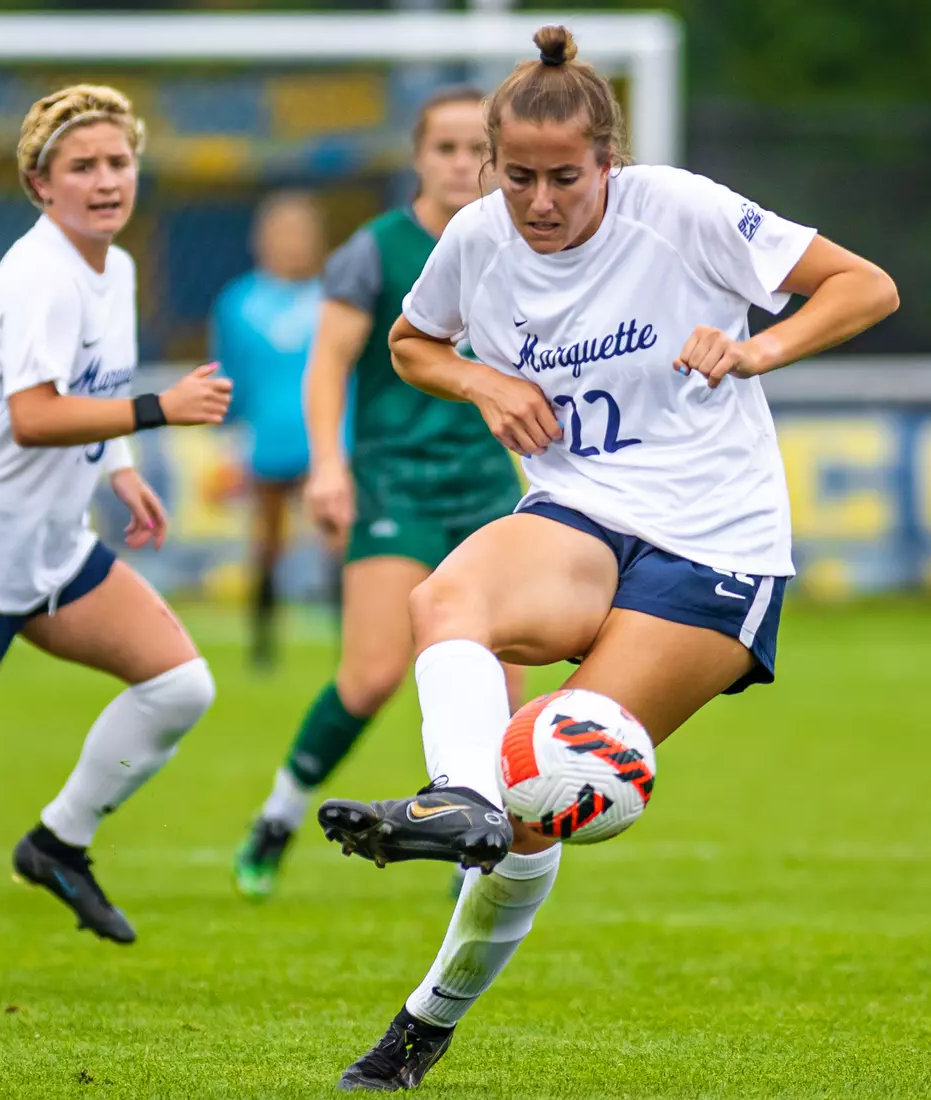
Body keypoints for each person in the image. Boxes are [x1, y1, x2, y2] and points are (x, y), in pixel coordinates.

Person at [313, 26, 899, 1091]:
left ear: (609, 165)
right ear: (491, 167)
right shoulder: (479, 235)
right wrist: (485, 383)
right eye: (521, 177)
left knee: (545, 773)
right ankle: (456, 797)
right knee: (447, 600)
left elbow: (866, 285)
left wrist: (754, 346)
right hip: (584, 505)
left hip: (717, 538)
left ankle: (422, 1023)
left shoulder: (679, 209)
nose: (541, 203)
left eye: (566, 179)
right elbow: (411, 343)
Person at [0, 84, 232, 945]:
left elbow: (92, 393)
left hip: (52, 550)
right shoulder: (39, 271)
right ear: (41, 184)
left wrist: (118, 468)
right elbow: (34, 415)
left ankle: (57, 843)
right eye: (82, 166)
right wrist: (160, 411)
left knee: (180, 685)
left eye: (118, 162)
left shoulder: (111, 266)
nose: (106, 179)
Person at [232, 86, 527, 902]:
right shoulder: (375, 250)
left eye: (479, 149)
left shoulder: (522, 241)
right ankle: (279, 815)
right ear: (418, 158)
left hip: (485, 483)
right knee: (369, 676)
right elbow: (326, 364)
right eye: (447, 148)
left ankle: (482, 854)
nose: (465, 163)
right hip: (394, 477)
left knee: (506, 682)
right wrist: (327, 464)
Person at [210, 190, 329, 668]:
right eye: (281, 234)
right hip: (267, 440)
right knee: (267, 542)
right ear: (261, 240)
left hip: (326, 439)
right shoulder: (238, 302)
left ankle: (350, 647)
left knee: (339, 538)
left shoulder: (334, 297)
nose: (291, 244)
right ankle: (262, 649)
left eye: (300, 234)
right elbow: (229, 376)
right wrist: (229, 436)